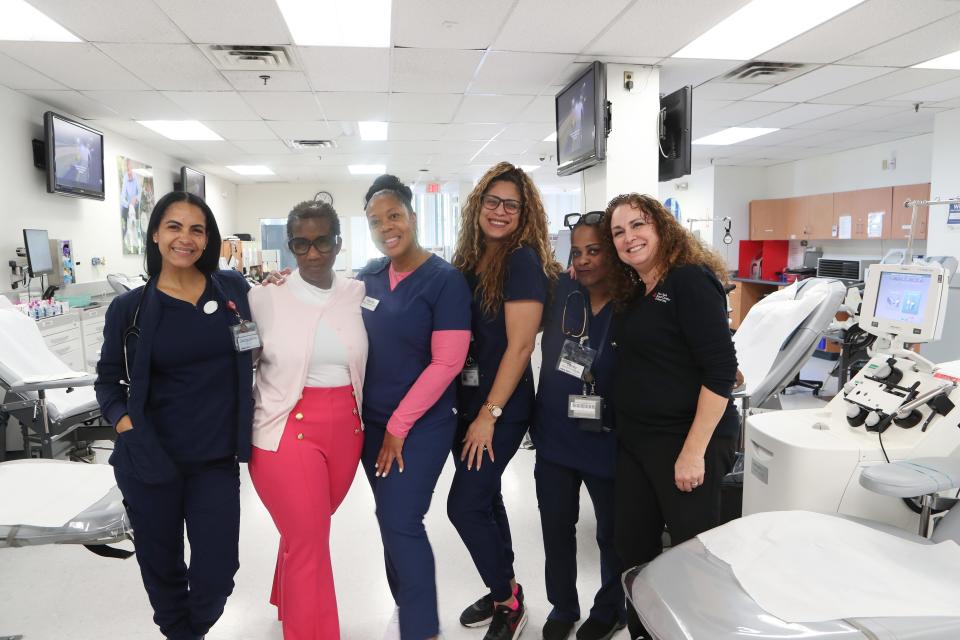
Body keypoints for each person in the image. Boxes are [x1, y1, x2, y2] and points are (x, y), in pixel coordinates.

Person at [95, 191, 254, 640]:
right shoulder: (130, 308)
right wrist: (129, 428)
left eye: (197, 229)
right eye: (174, 226)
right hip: (150, 460)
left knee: (218, 573)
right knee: (162, 570)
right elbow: (107, 383)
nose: (185, 238)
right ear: (155, 234)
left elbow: (271, 330)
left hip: (214, 460)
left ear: (209, 240)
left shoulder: (234, 292)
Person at [600, 193, 739, 640]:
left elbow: (720, 371)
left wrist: (693, 452)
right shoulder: (635, 290)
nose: (629, 237)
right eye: (618, 232)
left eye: (638, 225)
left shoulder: (689, 281)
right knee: (633, 548)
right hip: (638, 442)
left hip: (685, 442)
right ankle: (646, 631)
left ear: (661, 228)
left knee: (690, 555)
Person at [356, 175, 472, 640]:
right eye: (375, 221)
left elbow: (448, 362)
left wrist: (400, 425)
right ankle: (407, 605)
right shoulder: (367, 276)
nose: (386, 226)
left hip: (419, 426)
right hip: (371, 424)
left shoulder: (444, 281)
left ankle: (421, 628)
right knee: (389, 516)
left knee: (402, 518)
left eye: (394, 215)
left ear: (413, 217)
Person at [449, 162, 561, 640]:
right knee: (487, 498)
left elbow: (519, 347)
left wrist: (489, 416)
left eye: (510, 205)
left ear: (524, 213)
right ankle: (505, 591)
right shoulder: (472, 260)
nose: (499, 211)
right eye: (492, 201)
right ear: (478, 206)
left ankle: (507, 597)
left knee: (465, 505)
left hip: (501, 407)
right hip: (467, 403)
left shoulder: (521, 262)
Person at [247, 201, 368, 640]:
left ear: (338, 243)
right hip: (284, 431)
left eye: (321, 242)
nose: (312, 253)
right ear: (289, 246)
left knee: (308, 530)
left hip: (346, 433)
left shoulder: (357, 292)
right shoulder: (264, 296)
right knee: (311, 542)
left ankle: (287, 597)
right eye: (301, 243)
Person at [531, 212, 631, 640]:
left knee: (611, 534)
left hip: (607, 437)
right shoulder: (560, 290)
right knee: (556, 527)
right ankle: (562, 606)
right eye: (577, 252)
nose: (585, 261)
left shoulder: (633, 301)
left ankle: (610, 608)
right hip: (554, 432)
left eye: (595, 251)